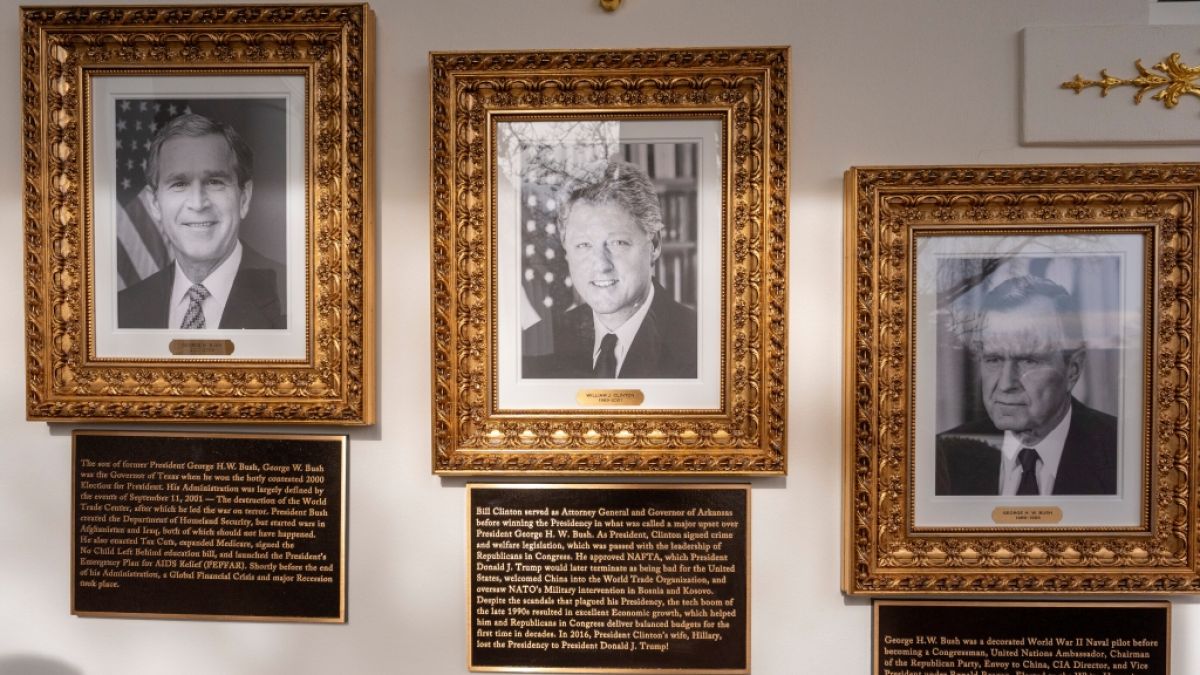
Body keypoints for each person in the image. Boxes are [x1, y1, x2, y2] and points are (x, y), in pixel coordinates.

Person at [935, 275, 1117, 496]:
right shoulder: (945, 455)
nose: (1005, 384)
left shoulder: (1123, 451)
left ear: (1073, 370)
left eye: (1028, 361)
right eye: (993, 359)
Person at [522, 159, 696, 379]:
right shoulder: (544, 343)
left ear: (654, 245)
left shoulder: (702, 343)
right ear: (566, 250)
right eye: (583, 245)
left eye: (617, 243)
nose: (601, 266)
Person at [118, 113, 285, 329]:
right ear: (155, 204)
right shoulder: (122, 311)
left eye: (215, 182)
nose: (197, 203)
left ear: (244, 198)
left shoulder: (298, 295)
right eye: (179, 184)